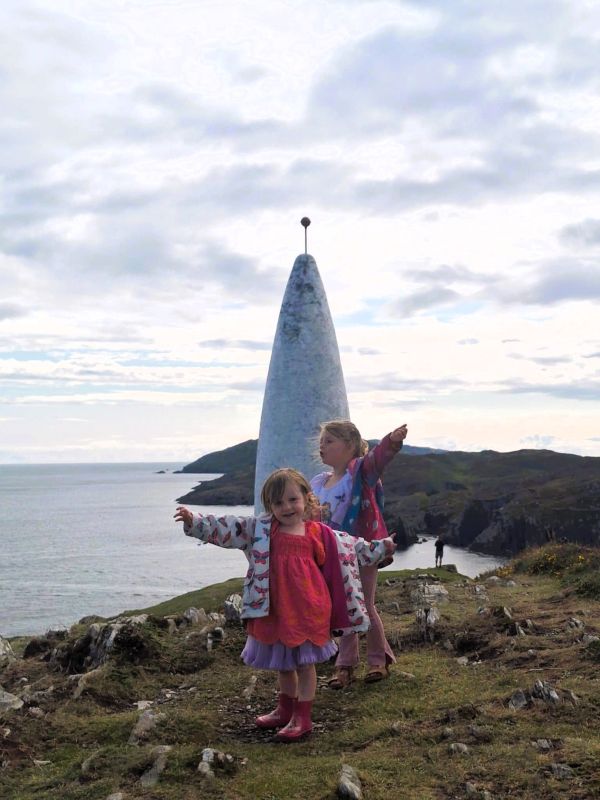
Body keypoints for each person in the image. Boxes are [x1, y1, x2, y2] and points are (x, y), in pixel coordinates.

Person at [174, 467, 396, 742]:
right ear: (270, 506)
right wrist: (194, 520)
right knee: (284, 664)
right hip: (276, 610)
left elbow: (354, 547)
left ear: (306, 498)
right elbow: (230, 527)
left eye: (293, 499)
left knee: (304, 665)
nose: (287, 507)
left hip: (309, 609)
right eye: (278, 502)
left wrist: (382, 547)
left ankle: (302, 717)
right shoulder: (261, 529)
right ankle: (285, 709)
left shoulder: (321, 533)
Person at [310, 420, 408, 688]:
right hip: (333, 552)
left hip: (364, 548)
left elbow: (376, 460)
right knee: (343, 607)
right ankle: (345, 666)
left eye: (329, 441)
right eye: (322, 441)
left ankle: (378, 661)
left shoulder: (359, 472)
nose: (322, 446)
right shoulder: (318, 483)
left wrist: (392, 441)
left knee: (364, 604)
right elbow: (309, 516)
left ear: (350, 445)